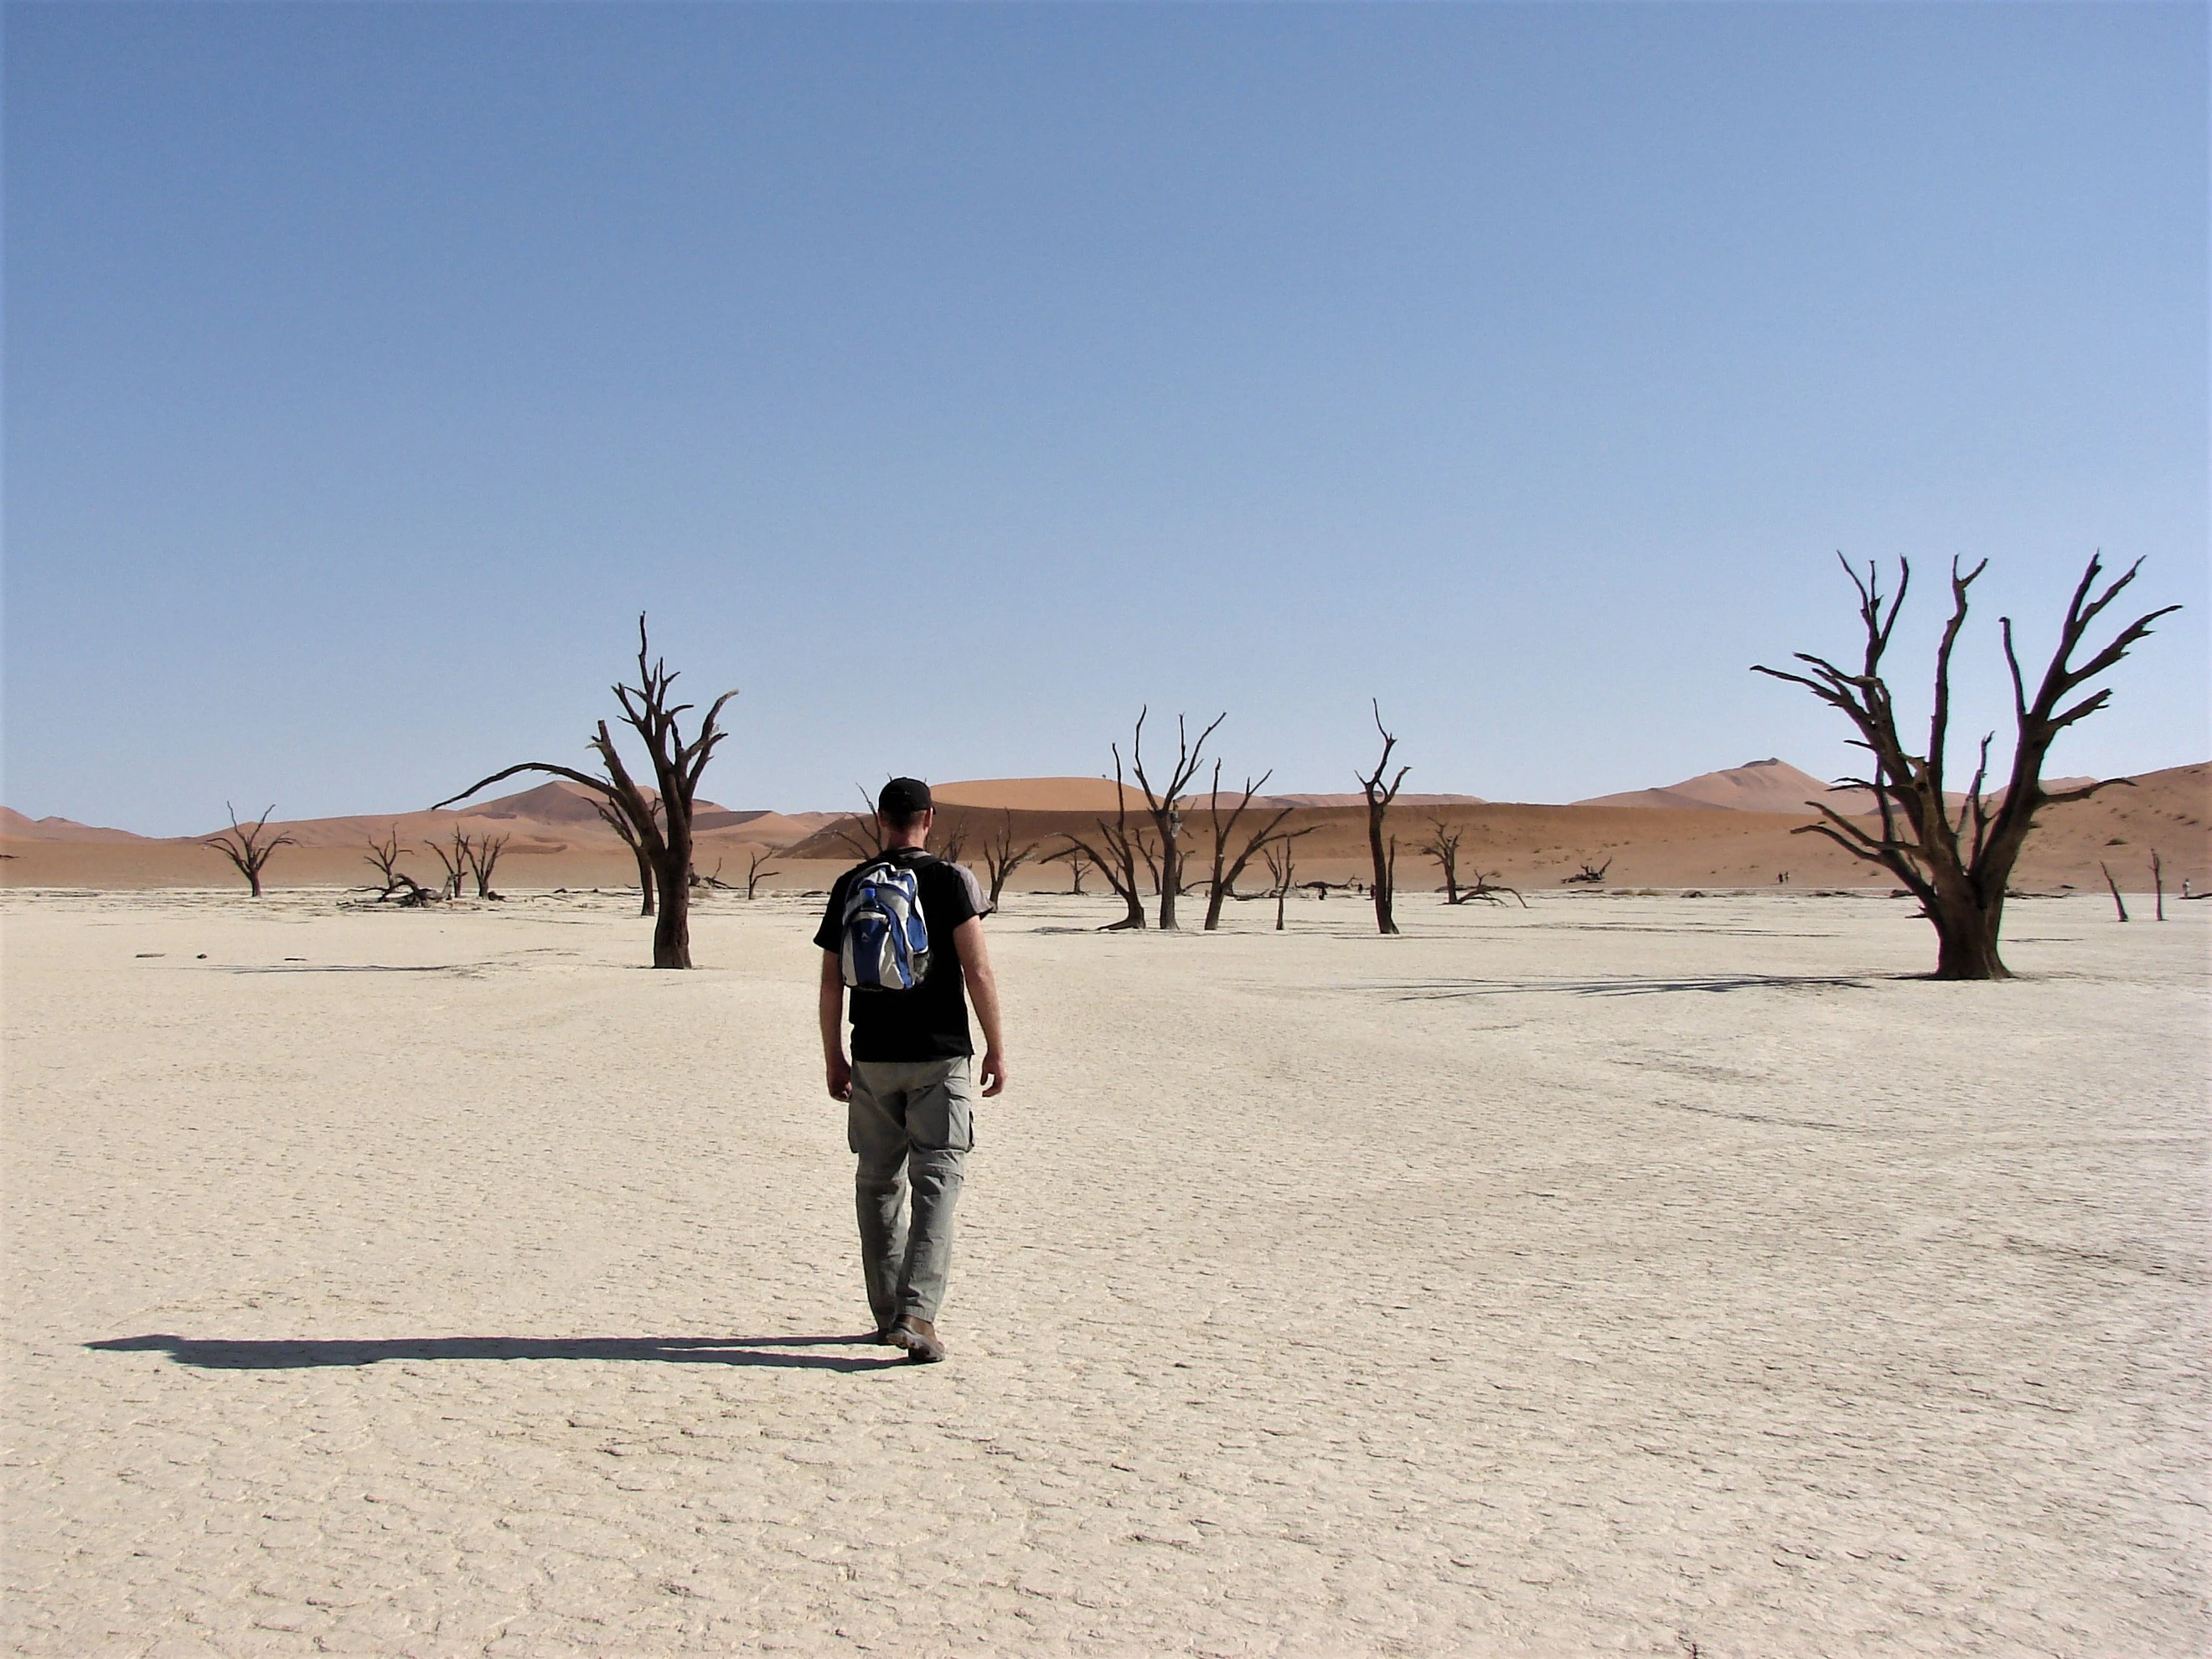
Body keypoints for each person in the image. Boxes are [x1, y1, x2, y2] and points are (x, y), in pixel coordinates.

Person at [814, 778, 1007, 1363]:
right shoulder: (950, 881)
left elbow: (830, 983)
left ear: (881, 819)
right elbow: (977, 971)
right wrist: (996, 1048)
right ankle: (917, 1314)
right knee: (938, 1181)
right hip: (939, 1056)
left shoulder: (851, 883)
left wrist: (834, 1056)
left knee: (877, 1184)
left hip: (872, 1056)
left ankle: (886, 1315)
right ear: (929, 817)